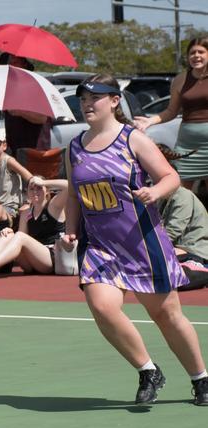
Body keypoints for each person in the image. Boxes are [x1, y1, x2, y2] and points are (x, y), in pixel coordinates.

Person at [61, 73, 208, 406]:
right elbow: (73, 194)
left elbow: (171, 176)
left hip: (142, 242)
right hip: (100, 246)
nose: (87, 105)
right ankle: (147, 370)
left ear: (114, 101)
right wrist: (69, 228)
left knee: (167, 316)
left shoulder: (133, 140)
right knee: (101, 306)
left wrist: (154, 191)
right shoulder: (74, 147)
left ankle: (201, 379)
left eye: (94, 98)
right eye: (83, 100)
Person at [0, 175, 68, 281]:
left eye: (39, 188)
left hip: (52, 259)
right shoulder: (25, 214)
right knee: (9, 235)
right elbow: (20, 241)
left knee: (19, 236)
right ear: (27, 192)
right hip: (32, 263)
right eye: (32, 189)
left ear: (47, 191)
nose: (35, 191)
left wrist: (44, 182)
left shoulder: (54, 206)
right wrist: (9, 233)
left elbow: (69, 186)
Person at [134, 37, 208, 191]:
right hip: (187, 144)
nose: (196, 56)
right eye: (192, 53)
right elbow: (171, 111)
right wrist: (149, 121)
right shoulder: (180, 80)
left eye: (201, 52)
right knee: (180, 193)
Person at [0, 53, 52, 156]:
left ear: (24, 65)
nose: (11, 67)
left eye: (15, 62)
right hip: (14, 152)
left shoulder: (36, 85)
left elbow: (42, 118)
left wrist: (20, 111)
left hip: (34, 154)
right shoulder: (9, 88)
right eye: (8, 64)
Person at [0, 128, 33, 220]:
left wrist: (28, 202)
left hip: (10, 207)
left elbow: (31, 179)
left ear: (4, 146)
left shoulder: (9, 162)